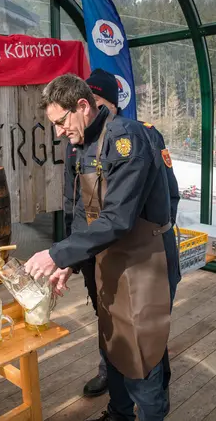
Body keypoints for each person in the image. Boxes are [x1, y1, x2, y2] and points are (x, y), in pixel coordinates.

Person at [25, 73, 180, 421]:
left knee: (142, 355)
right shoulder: (81, 145)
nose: (58, 132)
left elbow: (118, 219)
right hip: (107, 259)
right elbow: (81, 212)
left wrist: (55, 255)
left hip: (144, 262)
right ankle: (119, 413)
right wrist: (70, 262)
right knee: (112, 342)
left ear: (83, 106)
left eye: (60, 122)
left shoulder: (127, 140)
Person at [69, 69, 181, 398]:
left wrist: (152, 237)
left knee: (146, 332)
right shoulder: (79, 142)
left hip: (143, 254)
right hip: (98, 251)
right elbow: (74, 202)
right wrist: (75, 255)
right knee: (108, 321)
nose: (91, 110)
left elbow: (170, 195)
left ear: (113, 106)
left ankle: (155, 391)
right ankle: (112, 381)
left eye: (98, 102)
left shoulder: (141, 137)